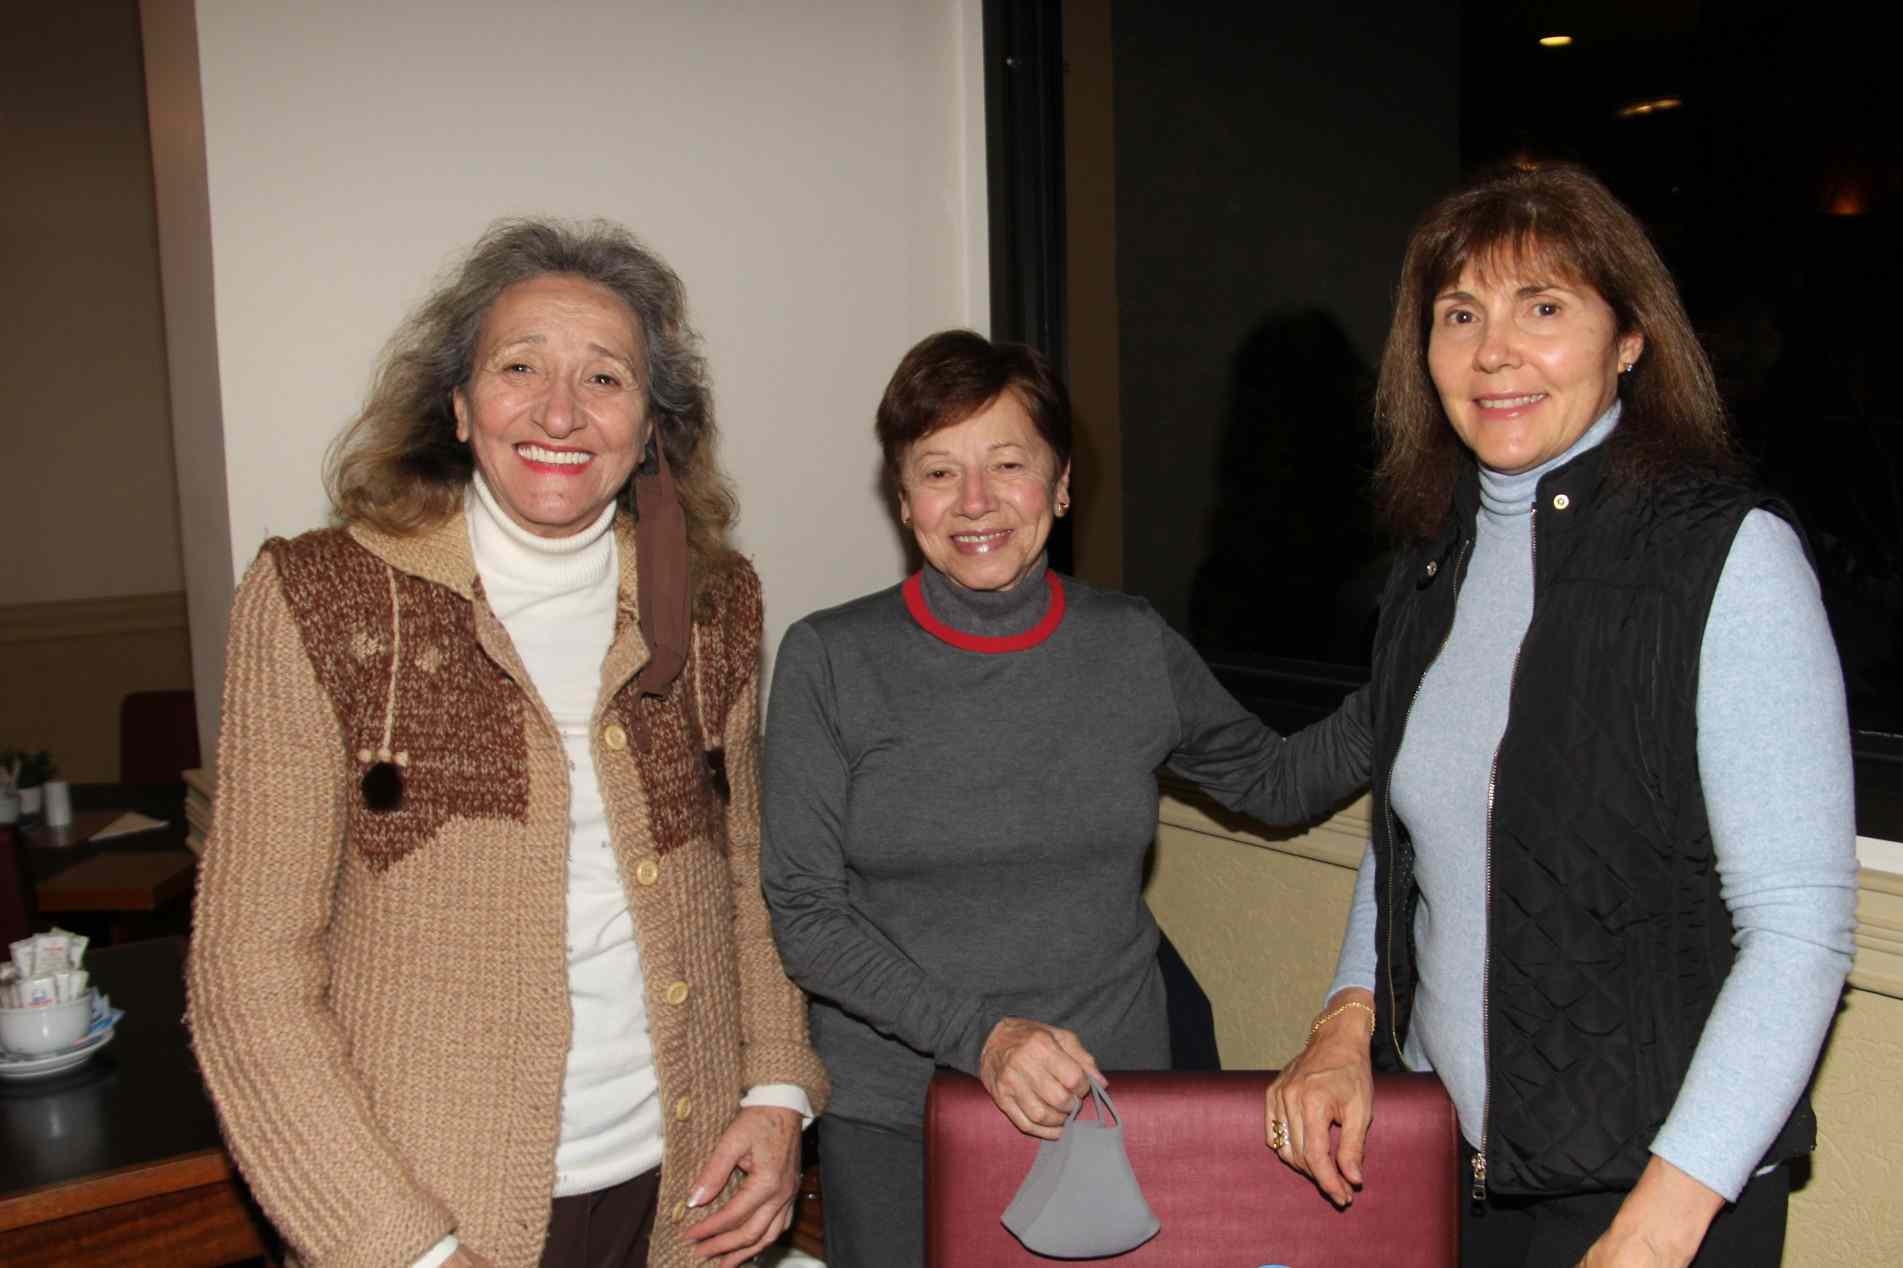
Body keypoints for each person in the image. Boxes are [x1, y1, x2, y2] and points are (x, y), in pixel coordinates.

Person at [188, 219, 828, 1268]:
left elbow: (750, 873)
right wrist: (402, 1247)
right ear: (457, 402)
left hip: (688, 1195)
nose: (560, 410)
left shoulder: (711, 602)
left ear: (651, 426)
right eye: (519, 366)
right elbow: (248, 972)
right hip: (434, 1210)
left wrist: (774, 1087)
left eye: (606, 378)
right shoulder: (318, 596)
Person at [1264, 164, 1858, 1267]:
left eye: (1542, 306)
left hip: (1663, 1195)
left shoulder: (1725, 558)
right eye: (1459, 314)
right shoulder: (1430, 566)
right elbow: (1415, 830)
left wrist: (1662, 1217)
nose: (1495, 350)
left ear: (1628, 337)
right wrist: (1346, 1015)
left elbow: (1798, 933)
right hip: (1469, 1171)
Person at [759, 330, 1369, 1267]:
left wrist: (1415, 677)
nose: (975, 503)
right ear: (902, 496)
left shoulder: (1130, 646)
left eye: (1009, 464)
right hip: (899, 1114)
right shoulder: (829, 660)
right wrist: (982, 1039)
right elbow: (805, 913)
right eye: (938, 471)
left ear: (1062, 484)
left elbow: (1274, 782)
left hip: (1105, 1100)